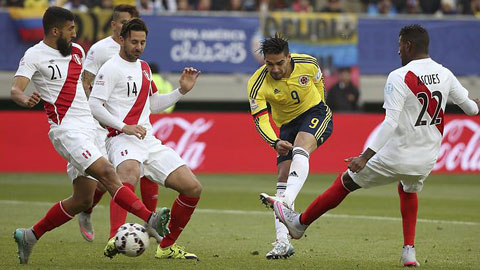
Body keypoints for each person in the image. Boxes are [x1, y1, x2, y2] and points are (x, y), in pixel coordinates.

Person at [260, 24, 480, 267]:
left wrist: (365, 157)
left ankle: (299, 223)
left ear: (407, 46)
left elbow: (390, 123)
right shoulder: (446, 73)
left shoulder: (399, 77)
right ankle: (409, 251)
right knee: (408, 188)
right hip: (427, 160)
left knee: (345, 181)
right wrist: (476, 103)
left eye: (399, 46)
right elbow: (471, 108)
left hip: (396, 156)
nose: (398, 52)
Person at [11, 7, 171, 265]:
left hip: (91, 126)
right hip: (67, 130)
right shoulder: (34, 55)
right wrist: (24, 98)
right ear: (55, 31)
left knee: (82, 199)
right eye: (70, 29)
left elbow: (86, 85)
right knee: (110, 174)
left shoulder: (78, 52)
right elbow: (16, 88)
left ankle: (29, 235)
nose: (75, 34)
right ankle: (150, 220)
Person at [88, 18, 202, 260]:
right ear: (122, 40)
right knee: (127, 175)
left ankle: (167, 246)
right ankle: (113, 237)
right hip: (121, 138)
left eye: (142, 42)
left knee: (192, 188)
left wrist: (181, 91)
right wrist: (123, 126)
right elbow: (94, 105)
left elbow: (154, 105)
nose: (138, 47)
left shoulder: (145, 68)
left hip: (147, 139)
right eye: (134, 42)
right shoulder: (110, 68)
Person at [80, 4, 162, 245]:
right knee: (110, 180)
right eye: (125, 22)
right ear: (115, 25)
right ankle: (89, 210)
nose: (129, 26)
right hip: (102, 124)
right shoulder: (100, 51)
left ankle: (146, 225)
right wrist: (98, 117)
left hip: (130, 127)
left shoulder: (137, 53)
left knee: (137, 174)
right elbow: (87, 84)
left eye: (133, 21)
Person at [248, 34, 333, 259]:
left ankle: (284, 201)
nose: (274, 69)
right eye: (269, 64)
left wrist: (322, 106)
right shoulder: (257, 83)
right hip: (286, 125)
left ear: (288, 57)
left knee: (300, 148)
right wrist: (274, 142)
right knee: (282, 179)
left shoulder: (308, 63)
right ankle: (283, 242)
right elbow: (261, 119)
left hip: (314, 112)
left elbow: (319, 83)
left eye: (279, 63)